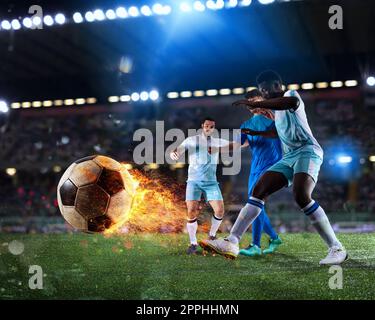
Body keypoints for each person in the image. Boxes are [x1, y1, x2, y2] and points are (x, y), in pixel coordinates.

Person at [200, 70, 348, 265]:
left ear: (278, 86)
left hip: (307, 151)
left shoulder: (291, 96)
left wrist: (257, 103)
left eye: (267, 90)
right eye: (262, 91)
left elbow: (289, 104)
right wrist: (255, 131)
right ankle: (232, 241)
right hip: (289, 156)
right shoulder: (276, 114)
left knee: (301, 195)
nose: (265, 93)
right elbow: (276, 134)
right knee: (258, 191)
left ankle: (336, 247)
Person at [170, 118, 229, 254]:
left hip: (211, 183)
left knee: (219, 210)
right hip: (193, 182)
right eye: (206, 125)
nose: (208, 128)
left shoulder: (217, 142)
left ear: (214, 128)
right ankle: (193, 243)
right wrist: (174, 153)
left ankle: (212, 236)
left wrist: (248, 140)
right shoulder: (191, 140)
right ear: (202, 126)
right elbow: (178, 150)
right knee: (191, 211)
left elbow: (235, 145)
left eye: (211, 126)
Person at [236, 89, 283, 257]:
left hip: (273, 165)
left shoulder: (275, 118)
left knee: (255, 204)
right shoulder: (245, 125)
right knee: (255, 205)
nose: (254, 105)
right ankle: (274, 238)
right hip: (255, 167)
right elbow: (239, 145)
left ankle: (256, 244)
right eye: (250, 102)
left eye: (256, 100)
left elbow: (282, 133)